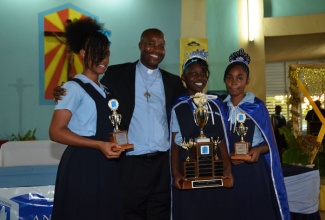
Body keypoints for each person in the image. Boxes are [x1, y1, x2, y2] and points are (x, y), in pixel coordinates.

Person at [54, 28, 186, 220]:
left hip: (161, 165)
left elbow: (189, 105)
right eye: (151, 43)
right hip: (130, 163)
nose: (155, 49)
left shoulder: (173, 82)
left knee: (161, 214)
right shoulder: (116, 75)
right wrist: (62, 91)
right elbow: (85, 89)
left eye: (161, 46)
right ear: (140, 45)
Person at [49, 18, 124, 219]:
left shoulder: (107, 90)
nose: (104, 59)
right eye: (97, 52)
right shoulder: (72, 88)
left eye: (106, 53)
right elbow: (56, 131)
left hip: (107, 163)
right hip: (83, 164)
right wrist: (98, 144)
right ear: (83, 54)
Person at [222, 49, 290, 220]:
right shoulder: (220, 108)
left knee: (256, 211)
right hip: (228, 169)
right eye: (229, 77)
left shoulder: (257, 106)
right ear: (225, 80)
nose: (233, 82)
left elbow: (271, 143)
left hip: (254, 169)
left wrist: (258, 150)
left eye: (239, 78)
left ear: (247, 80)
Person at [170, 50, 234, 219]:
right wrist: (175, 172)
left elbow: (221, 140)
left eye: (202, 73)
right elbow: (175, 144)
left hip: (215, 171)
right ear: (183, 78)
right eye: (193, 74)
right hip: (189, 170)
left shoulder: (216, 104)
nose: (199, 77)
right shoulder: (178, 106)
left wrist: (227, 167)